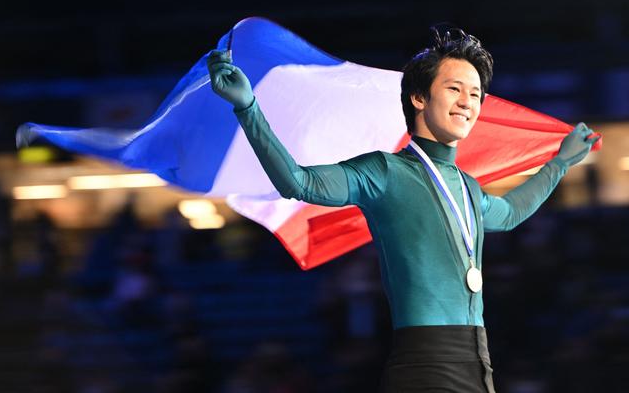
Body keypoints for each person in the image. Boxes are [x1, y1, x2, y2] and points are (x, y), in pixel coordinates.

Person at [207, 27, 600, 392]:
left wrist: (559, 163)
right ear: (419, 97)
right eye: (454, 89)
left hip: (479, 364)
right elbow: (298, 181)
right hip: (425, 365)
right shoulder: (384, 171)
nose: (468, 102)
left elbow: (510, 213)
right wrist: (248, 108)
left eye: (476, 93)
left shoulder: (466, 186)